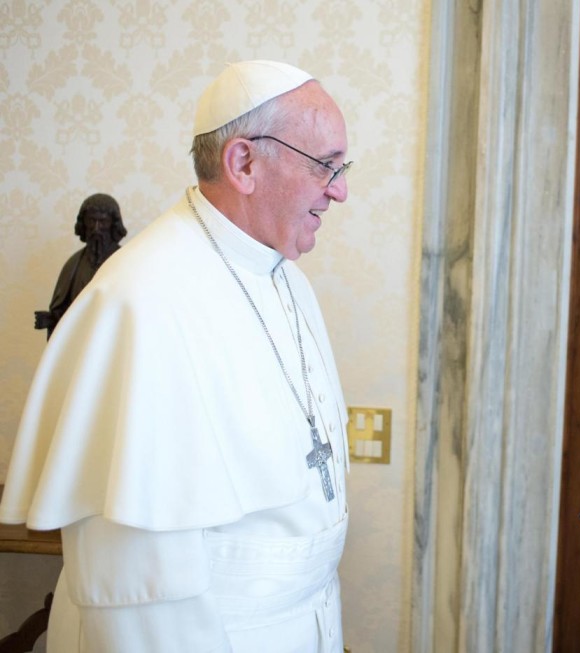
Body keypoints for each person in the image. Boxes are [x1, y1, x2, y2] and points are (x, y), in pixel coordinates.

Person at [0, 60, 353, 652]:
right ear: (243, 163)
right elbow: (139, 583)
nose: (340, 189)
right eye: (326, 165)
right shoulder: (140, 300)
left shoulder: (285, 278)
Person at [34, 192, 127, 338]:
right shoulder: (73, 265)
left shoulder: (126, 263)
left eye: (103, 222)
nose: (96, 228)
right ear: (83, 223)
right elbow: (66, 311)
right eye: (91, 221)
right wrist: (51, 319)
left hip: (113, 341)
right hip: (79, 342)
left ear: (113, 224)